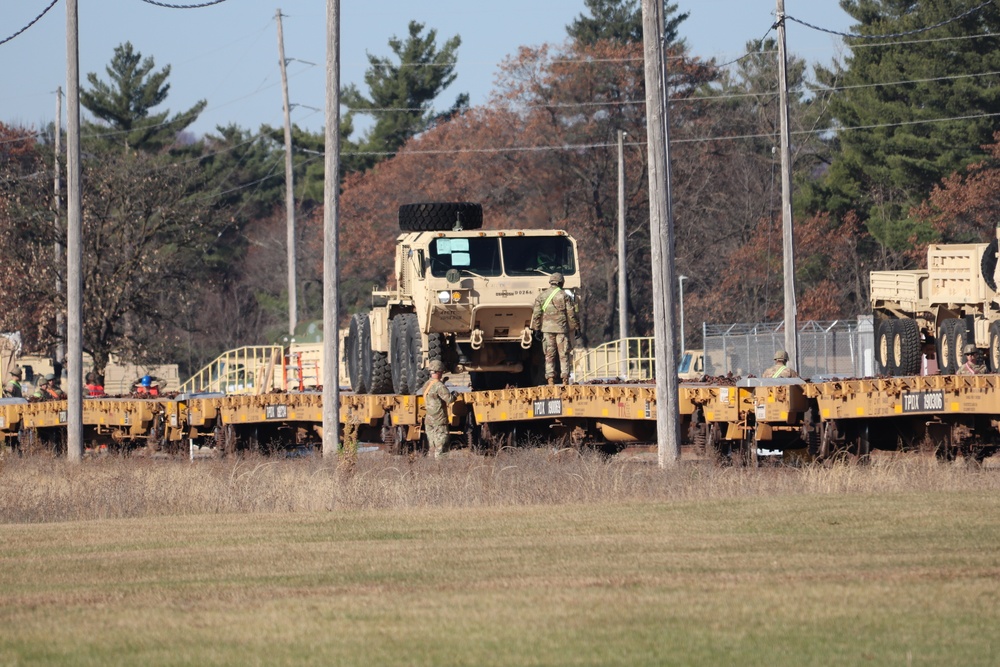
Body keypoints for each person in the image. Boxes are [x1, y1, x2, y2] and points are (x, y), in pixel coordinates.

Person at [530, 272, 579, 385]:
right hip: (561, 330)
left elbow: (536, 314)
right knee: (564, 354)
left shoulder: (542, 296)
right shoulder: (565, 295)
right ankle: (565, 378)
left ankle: (550, 379)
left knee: (549, 355)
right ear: (561, 282)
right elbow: (571, 314)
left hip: (547, 330)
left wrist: (537, 329)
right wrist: (576, 327)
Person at [422, 360, 455, 459]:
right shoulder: (439, 386)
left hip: (429, 420)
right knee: (441, 447)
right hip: (439, 420)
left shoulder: (427, 384)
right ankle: (441, 469)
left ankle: (431, 468)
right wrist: (455, 394)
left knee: (432, 447)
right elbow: (449, 399)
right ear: (439, 371)